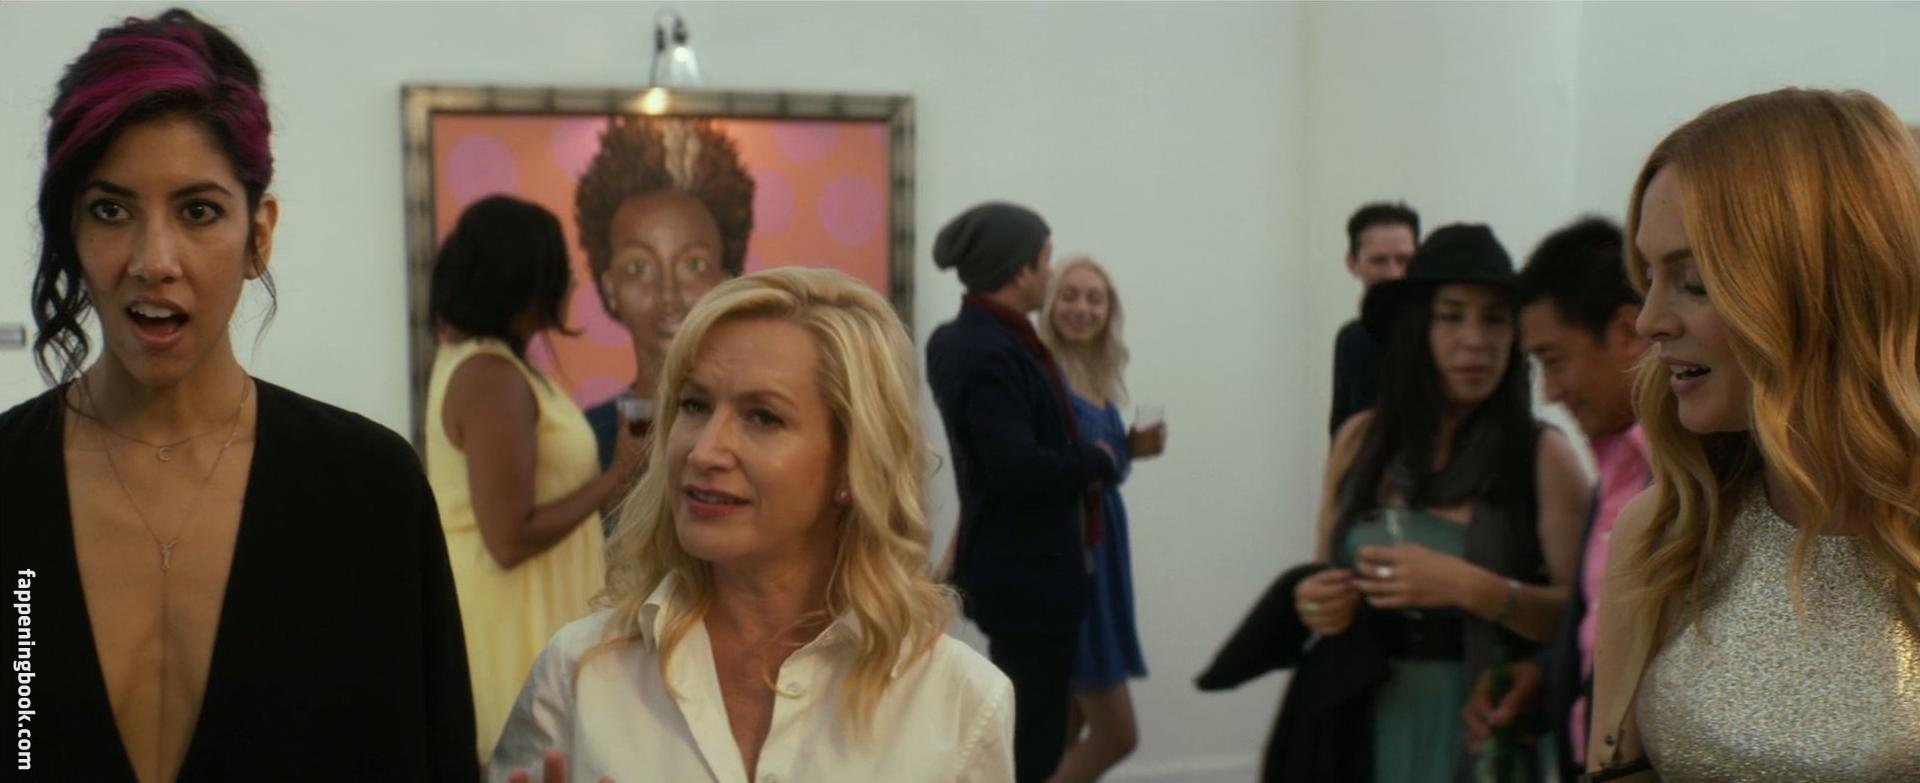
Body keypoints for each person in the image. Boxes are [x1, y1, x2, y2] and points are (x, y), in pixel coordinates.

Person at [0, 9, 477, 781]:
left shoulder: (368, 492)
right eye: (111, 209)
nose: (155, 260)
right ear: (70, 232)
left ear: (259, 235)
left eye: (198, 211)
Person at [490, 267, 1014, 782]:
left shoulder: (959, 703)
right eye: (694, 405)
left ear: (852, 463)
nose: (705, 451)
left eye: (763, 416)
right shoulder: (578, 673)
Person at [1587, 88, 1920, 780]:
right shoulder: (1665, 534)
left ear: (1824, 287)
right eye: (1649, 277)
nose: (1648, 320)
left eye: (1695, 281)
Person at [1271, 224, 1587, 781]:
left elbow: (1585, 619)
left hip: (1482, 727)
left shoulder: (1543, 455)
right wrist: (1316, 602)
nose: (1475, 340)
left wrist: (1472, 587)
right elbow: (1325, 570)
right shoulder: (1358, 442)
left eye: (1495, 318)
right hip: (1364, 722)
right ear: (1416, 328)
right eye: (1452, 316)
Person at [425, 195, 644, 760]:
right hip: (512, 622)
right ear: (524, 280)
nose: (571, 281)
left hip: (527, 611)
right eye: (559, 266)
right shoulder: (492, 377)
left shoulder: (494, 365)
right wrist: (615, 477)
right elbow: (509, 537)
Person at [926, 202, 1119, 782]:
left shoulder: (975, 340)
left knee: (1037, 729)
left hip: (1022, 573)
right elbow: (1016, 468)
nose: (1050, 271)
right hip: (1028, 578)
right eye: (1045, 259)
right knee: (1032, 741)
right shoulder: (990, 349)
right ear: (1020, 270)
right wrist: (1097, 458)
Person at [1460, 217, 1648, 778]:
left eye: (1555, 360)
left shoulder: (1702, 484)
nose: (1550, 391)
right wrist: (1550, 674)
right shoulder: (1613, 468)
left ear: (1627, 332)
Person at [1035, 257, 1167, 782]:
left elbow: (1101, 467)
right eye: (1070, 295)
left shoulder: (1097, 375)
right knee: (1118, 734)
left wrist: (1130, 448)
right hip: (1074, 560)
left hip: (1103, 554)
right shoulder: (1044, 376)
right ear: (1050, 303)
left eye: (1095, 298)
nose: (1082, 308)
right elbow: (1049, 471)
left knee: (1064, 731)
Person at [574, 116, 755, 471]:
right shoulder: (589, 436)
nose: (668, 295)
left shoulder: (754, 422)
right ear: (610, 288)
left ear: (725, 279)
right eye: (639, 267)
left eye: (693, 265)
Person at [1330, 202, 1420, 435]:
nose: (1394, 273)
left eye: (1404, 260)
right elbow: (1341, 431)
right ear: (1352, 263)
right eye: (1379, 261)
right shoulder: (1350, 339)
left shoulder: (1439, 335)